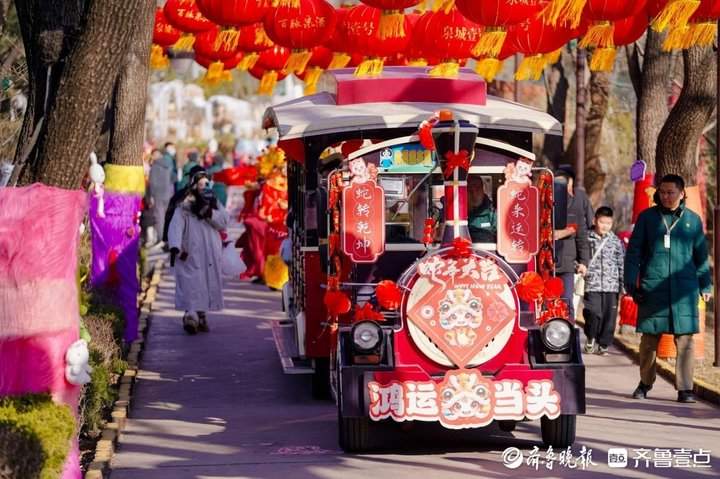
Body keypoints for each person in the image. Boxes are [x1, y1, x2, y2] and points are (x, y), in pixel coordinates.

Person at [625, 174, 711, 403]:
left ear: (682, 193)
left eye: (671, 192)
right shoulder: (647, 218)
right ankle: (645, 382)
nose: (666, 196)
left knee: (685, 341)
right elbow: (633, 252)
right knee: (648, 342)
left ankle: (685, 388)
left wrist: (706, 285)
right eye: (662, 192)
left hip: (684, 290)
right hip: (654, 286)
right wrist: (631, 283)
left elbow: (701, 257)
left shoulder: (692, 221)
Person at [168, 171, 229, 334]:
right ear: (194, 185)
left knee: (205, 284)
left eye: (206, 184)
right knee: (191, 284)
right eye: (200, 184)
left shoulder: (215, 203)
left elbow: (223, 222)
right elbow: (175, 226)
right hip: (190, 252)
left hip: (209, 252)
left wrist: (209, 212)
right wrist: (176, 246)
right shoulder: (184, 206)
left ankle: (201, 316)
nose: (203, 188)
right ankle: (191, 316)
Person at [582, 206, 625, 356]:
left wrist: (623, 285)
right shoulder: (586, 238)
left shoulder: (615, 241)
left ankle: (603, 344)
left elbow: (621, 263)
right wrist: (579, 267)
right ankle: (590, 337)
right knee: (592, 313)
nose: (605, 226)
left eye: (608, 223)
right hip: (592, 284)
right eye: (602, 222)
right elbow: (578, 257)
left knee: (609, 317)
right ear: (595, 220)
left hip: (611, 285)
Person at [553, 165, 593, 321]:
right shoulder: (545, 198)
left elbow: (582, 233)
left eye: (561, 183)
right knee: (547, 301)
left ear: (570, 183)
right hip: (546, 261)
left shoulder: (578, 200)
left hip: (567, 261)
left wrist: (584, 261)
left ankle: (567, 334)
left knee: (567, 301)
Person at [147, 149, 174, 247]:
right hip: (167, 194)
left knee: (159, 217)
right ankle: (168, 238)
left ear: (155, 155)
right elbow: (172, 178)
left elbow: (152, 183)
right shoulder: (168, 165)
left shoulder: (154, 166)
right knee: (167, 217)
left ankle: (161, 239)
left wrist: (151, 196)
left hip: (157, 195)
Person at [467, 175, 496, 243]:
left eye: (477, 189)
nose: (474, 194)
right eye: (470, 190)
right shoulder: (457, 212)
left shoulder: (493, 213)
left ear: (483, 190)